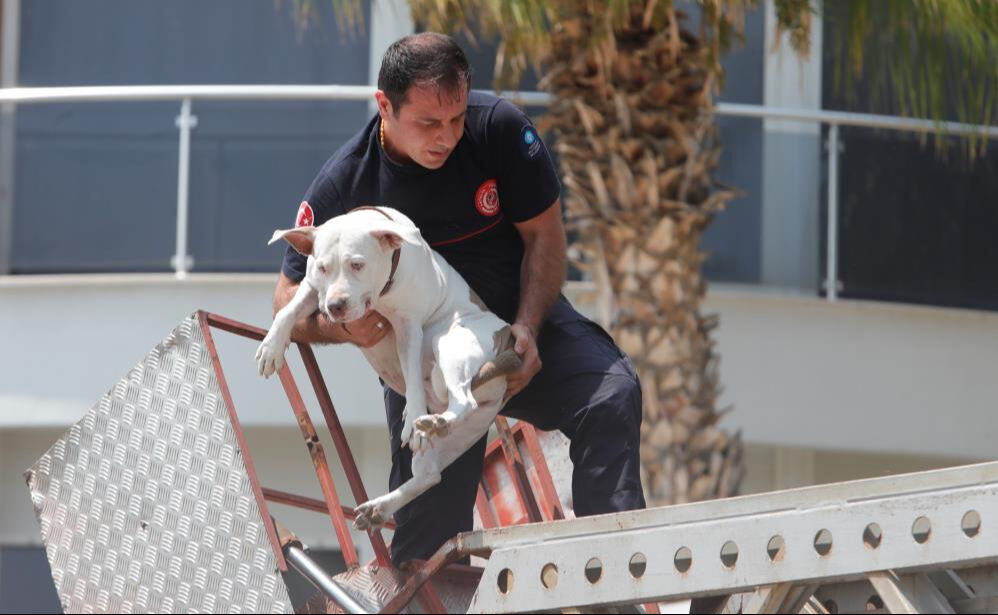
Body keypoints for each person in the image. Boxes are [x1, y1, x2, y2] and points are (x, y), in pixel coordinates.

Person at [274, 32, 645, 566]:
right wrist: (352, 327)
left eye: (455, 119)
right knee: (427, 543)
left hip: (519, 326)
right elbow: (287, 297)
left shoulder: (500, 128)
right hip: (425, 355)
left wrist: (527, 329)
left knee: (612, 393)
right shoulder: (346, 182)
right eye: (428, 123)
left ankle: (607, 580)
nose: (446, 137)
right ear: (385, 106)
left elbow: (545, 236)